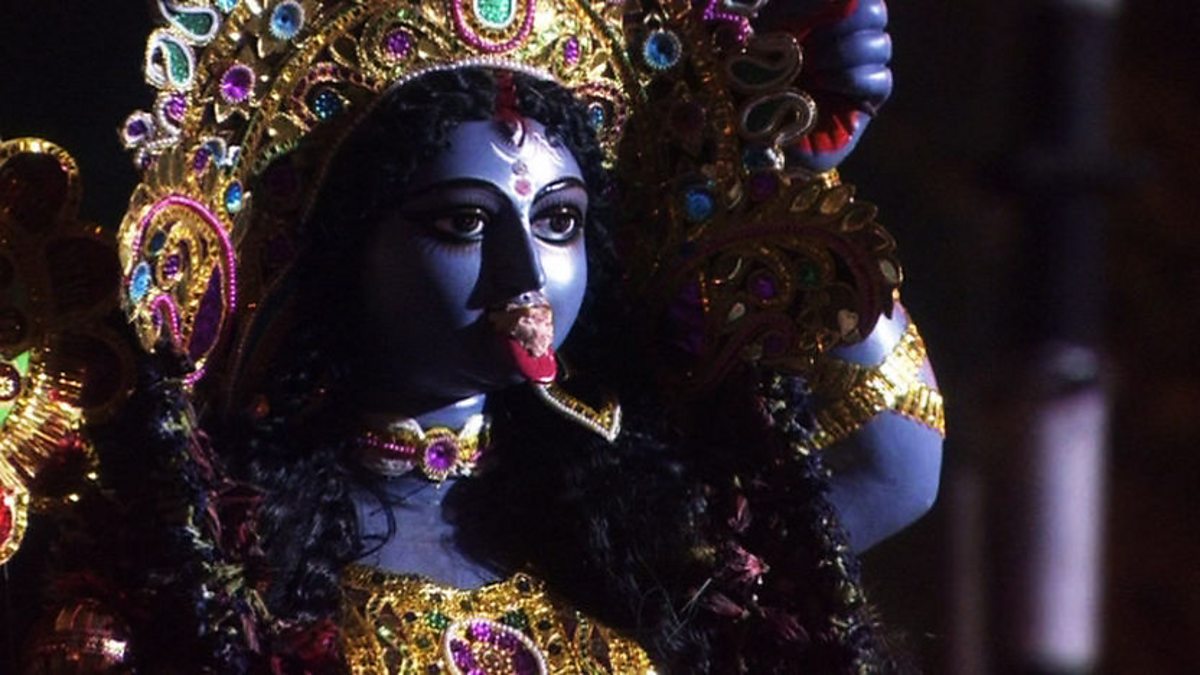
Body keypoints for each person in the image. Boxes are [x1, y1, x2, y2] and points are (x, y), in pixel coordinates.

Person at [6, 1, 943, 672]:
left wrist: (784, 180)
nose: (524, 273)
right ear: (343, 249)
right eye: (463, 222)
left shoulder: (636, 532)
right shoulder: (212, 555)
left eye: (560, 221)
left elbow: (896, 460)